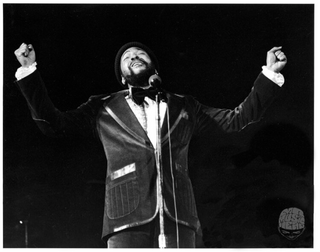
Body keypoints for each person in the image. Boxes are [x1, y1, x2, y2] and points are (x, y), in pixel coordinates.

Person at [14, 41, 287, 248]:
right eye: (127, 57)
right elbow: (54, 125)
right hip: (126, 219)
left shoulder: (184, 105)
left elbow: (236, 120)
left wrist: (269, 76)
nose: (134, 56)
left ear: (154, 68)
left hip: (180, 216)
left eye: (140, 54)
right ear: (122, 77)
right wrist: (29, 72)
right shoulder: (102, 108)